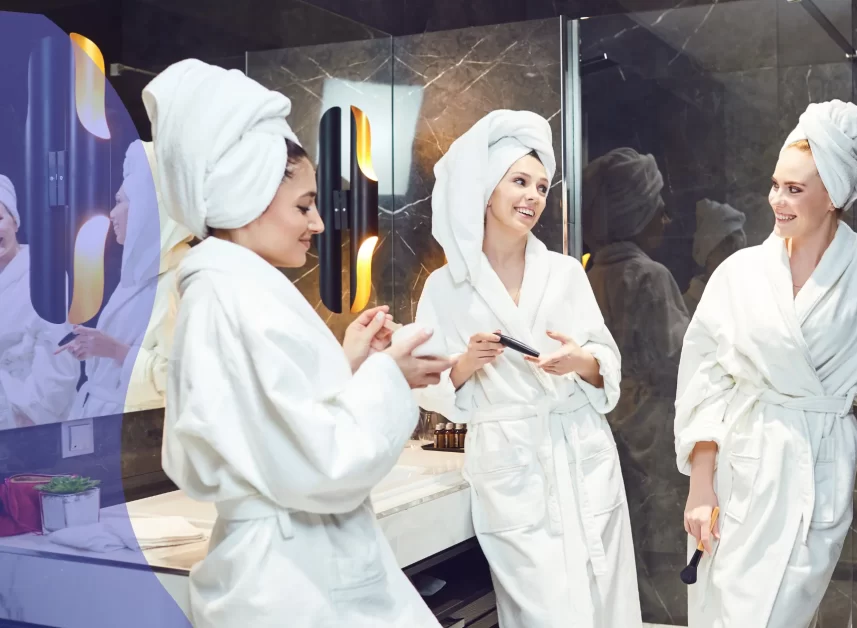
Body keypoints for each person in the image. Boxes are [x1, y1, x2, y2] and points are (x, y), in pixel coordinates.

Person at [145, 59, 452, 628]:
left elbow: (272, 423)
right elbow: (323, 464)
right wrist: (390, 375)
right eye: (304, 205)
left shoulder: (235, 292)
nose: (316, 225)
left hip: (294, 565)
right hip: (291, 580)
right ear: (245, 195)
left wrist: (350, 364)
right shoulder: (230, 298)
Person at [413, 110, 641, 627]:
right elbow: (426, 383)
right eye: (519, 181)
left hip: (580, 449)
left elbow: (607, 363)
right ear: (488, 190)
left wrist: (577, 361)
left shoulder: (563, 272)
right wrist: (466, 363)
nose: (533, 197)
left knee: (604, 602)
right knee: (540, 612)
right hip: (509, 462)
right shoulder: (445, 288)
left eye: (540, 187)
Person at [675, 99, 857, 628]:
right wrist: (701, 486)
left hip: (821, 465)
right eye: (776, 185)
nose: (777, 200)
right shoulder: (740, 273)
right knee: (722, 613)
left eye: (795, 189)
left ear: (835, 195)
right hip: (741, 470)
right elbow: (705, 383)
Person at [581, 147, 691, 621]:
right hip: (651, 430)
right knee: (659, 551)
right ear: (638, 211)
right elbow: (681, 358)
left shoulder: (587, 273)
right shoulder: (649, 275)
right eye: (657, 203)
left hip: (608, 425)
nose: (667, 216)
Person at [63, 140, 194, 418]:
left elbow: (185, 375)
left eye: (120, 201)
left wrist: (112, 350)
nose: (111, 213)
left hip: (142, 430)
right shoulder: (139, 274)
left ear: (148, 208)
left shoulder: (184, 275)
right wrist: (95, 349)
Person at [0, 175, 79, 429]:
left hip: (29, 420)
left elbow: (61, 363)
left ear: (14, 220)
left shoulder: (45, 276)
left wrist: (26, 415)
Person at [684, 199, 748, 316]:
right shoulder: (685, 309)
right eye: (725, 251)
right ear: (707, 254)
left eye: (736, 251)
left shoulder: (746, 304)